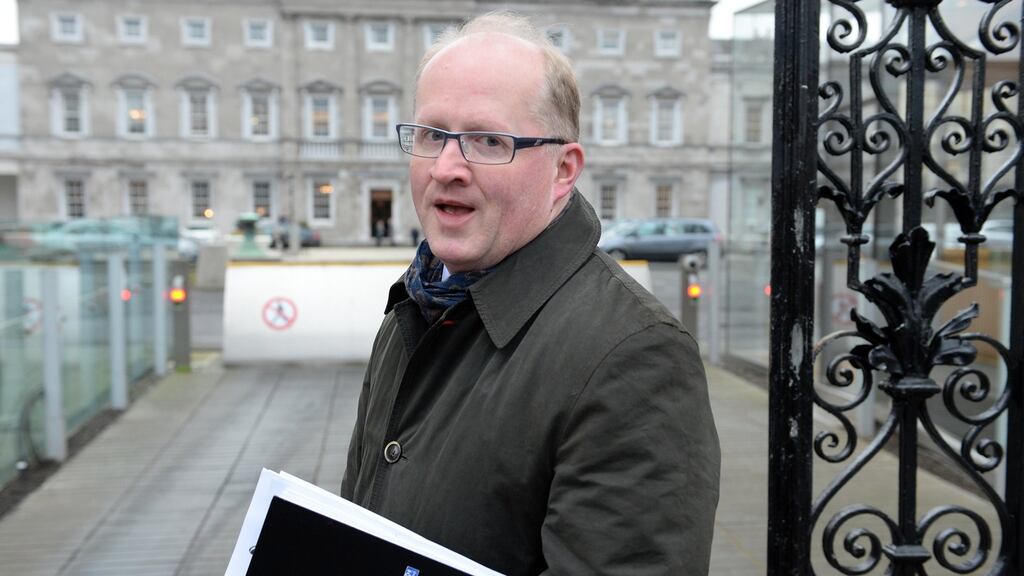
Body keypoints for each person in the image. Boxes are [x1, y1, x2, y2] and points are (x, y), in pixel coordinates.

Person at [341, 11, 720, 576]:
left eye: (488, 141)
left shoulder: (636, 356)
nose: (447, 167)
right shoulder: (415, 305)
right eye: (431, 135)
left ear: (563, 170)